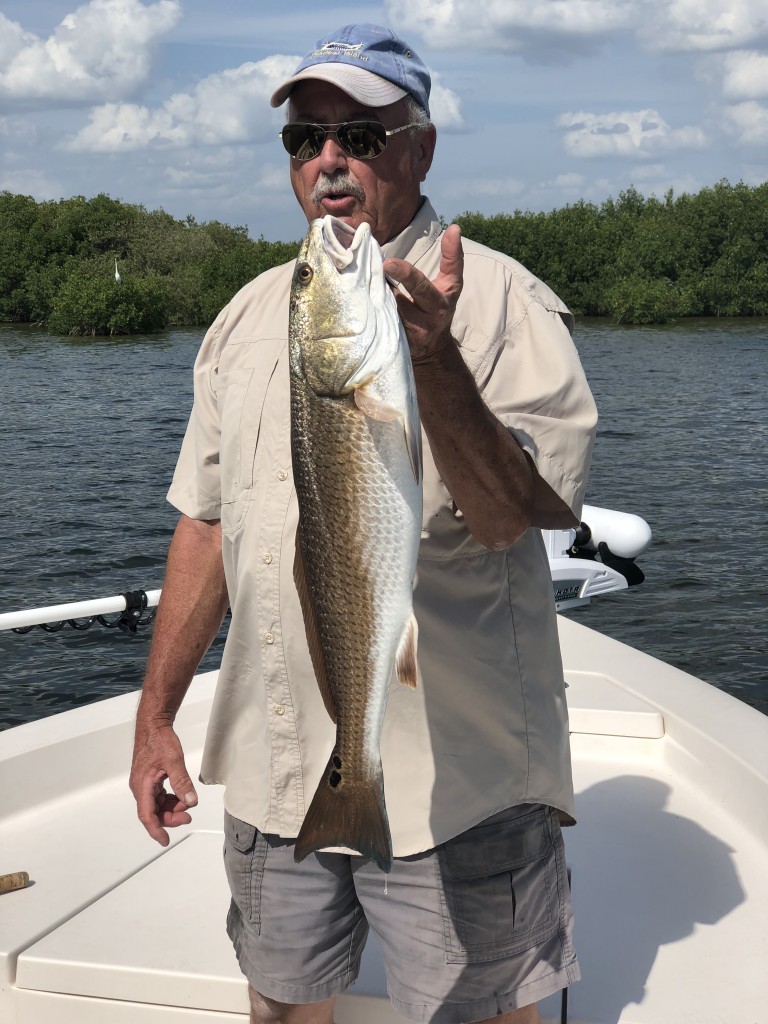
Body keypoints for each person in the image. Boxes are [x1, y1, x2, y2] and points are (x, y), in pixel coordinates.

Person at [129, 22, 597, 1024]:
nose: (330, 159)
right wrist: (156, 715)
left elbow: (515, 517)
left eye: (361, 134)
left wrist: (434, 358)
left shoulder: (505, 302)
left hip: (456, 776)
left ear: (420, 147)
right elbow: (207, 525)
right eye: (306, 138)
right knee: (285, 1004)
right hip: (279, 763)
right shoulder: (252, 313)